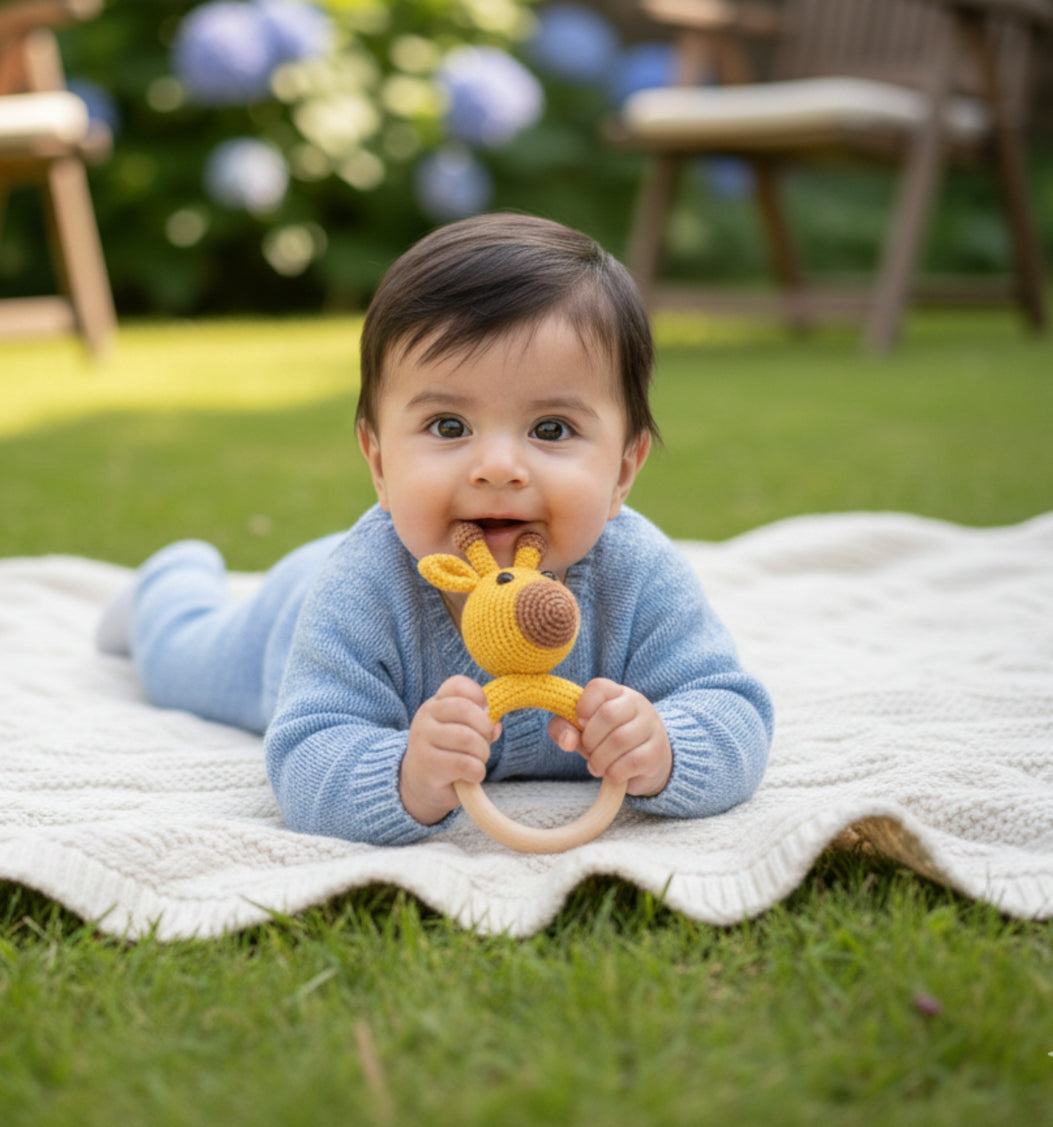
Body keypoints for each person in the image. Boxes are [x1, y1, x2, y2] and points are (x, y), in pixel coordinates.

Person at [96, 213, 773, 845]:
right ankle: (166, 582)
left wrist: (666, 747)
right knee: (179, 655)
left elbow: (732, 711)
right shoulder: (359, 588)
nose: (499, 467)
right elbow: (305, 757)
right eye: (448, 427)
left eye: (551, 429)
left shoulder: (637, 574)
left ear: (623, 470)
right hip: (287, 615)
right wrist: (406, 775)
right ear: (378, 461)